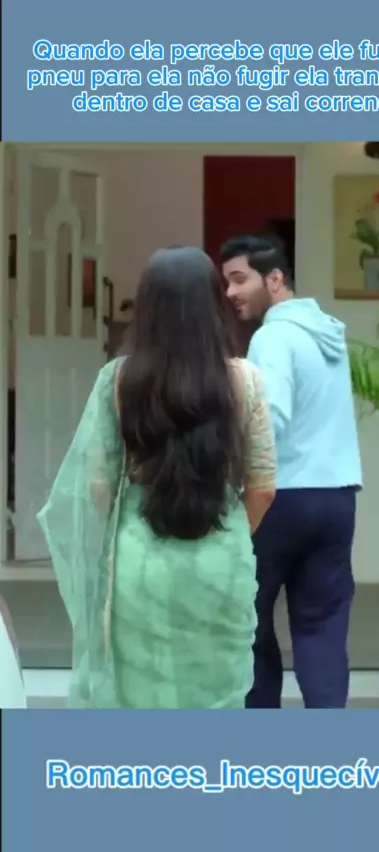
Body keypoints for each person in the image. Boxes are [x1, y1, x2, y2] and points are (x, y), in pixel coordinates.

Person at [38, 246, 276, 709]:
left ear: (147, 310)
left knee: (140, 702)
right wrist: (228, 533)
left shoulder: (118, 380)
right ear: (213, 305)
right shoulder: (247, 380)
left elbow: (97, 486)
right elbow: (263, 487)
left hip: (138, 557)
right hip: (219, 556)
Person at [220, 234, 362, 709]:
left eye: (239, 279)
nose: (231, 292)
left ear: (275, 279)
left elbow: (270, 418)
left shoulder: (273, 336)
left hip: (280, 500)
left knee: (251, 624)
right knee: (323, 628)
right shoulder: (328, 334)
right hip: (338, 497)